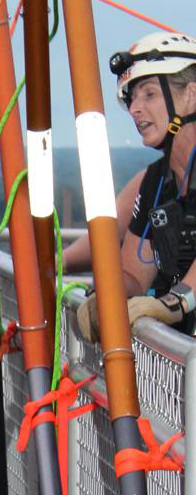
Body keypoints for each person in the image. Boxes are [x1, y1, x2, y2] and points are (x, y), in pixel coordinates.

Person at [72, 34, 196, 341]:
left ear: (191, 94)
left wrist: (175, 302)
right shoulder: (157, 182)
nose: (134, 109)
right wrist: (106, 296)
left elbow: (177, 299)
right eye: (132, 99)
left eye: (149, 94)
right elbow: (134, 275)